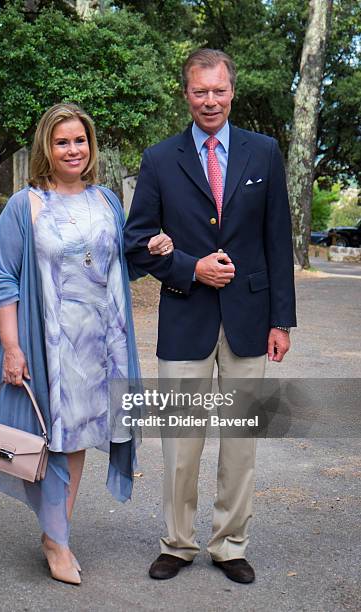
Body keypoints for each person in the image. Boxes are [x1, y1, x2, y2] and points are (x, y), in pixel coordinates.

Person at [0, 103, 173, 585]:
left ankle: (56, 533)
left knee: (78, 436)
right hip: (49, 343)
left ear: (90, 146)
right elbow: (3, 278)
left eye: (80, 140)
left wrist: (152, 249)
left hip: (100, 345)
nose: (73, 149)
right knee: (50, 438)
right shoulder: (26, 205)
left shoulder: (106, 200)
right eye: (63, 141)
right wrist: (13, 348)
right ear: (47, 146)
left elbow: (116, 269)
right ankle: (56, 539)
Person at [124, 49, 296, 584]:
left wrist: (280, 322)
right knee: (181, 443)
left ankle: (229, 544)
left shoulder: (264, 153)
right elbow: (135, 245)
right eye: (200, 91)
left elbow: (276, 239)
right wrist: (189, 267)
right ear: (186, 94)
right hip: (185, 318)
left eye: (218, 90)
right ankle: (177, 542)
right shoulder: (158, 159)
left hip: (249, 319)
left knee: (240, 442)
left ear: (232, 91)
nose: (210, 100)